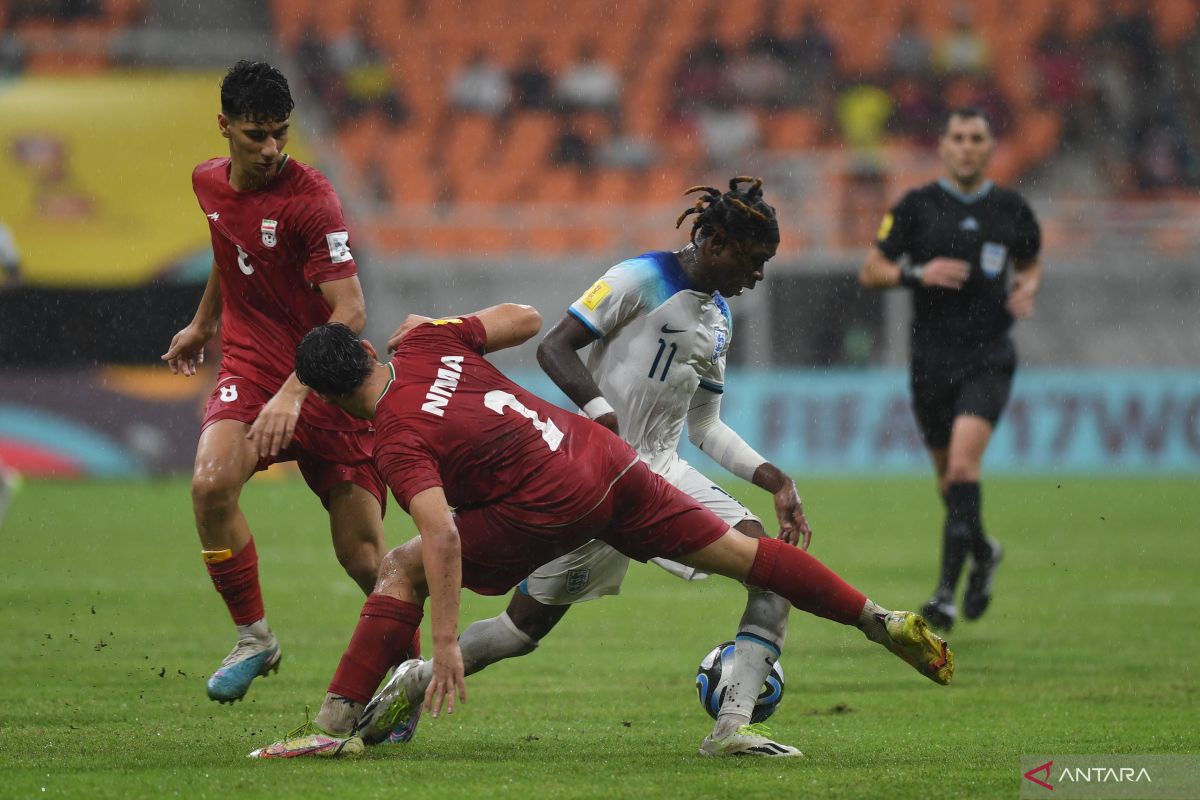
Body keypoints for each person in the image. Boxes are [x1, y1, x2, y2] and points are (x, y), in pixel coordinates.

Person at [247, 306, 954, 760]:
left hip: (552, 500)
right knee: (746, 557)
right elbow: (524, 317)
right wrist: (441, 322)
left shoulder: (395, 437)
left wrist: (443, 643)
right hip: (605, 455)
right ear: (369, 348)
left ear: (333, 400)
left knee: (400, 565)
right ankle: (876, 618)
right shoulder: (427, 342)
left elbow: (442, 539)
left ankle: (333, 729)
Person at [376, 177, 813, 757]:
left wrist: (775, 478)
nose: (757, 275)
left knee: (772, 570)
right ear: (712, 241)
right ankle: (414, 680)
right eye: (752, 260)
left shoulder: (719, 319)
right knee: (519, 632)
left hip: (662, 472)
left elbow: (703, 425)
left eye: (765, 264)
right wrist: (602, 419)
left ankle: (732, 729)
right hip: (591, 480)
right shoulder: (640, 277)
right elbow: (554, 346)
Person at [161, 60, 405, 705]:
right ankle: (254, 638)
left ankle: (407, 681)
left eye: (280, 134)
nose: (270, 149)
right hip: (247, 366)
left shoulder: (310, 200)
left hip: (325, 381)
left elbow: (350, 312)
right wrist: (203, 322)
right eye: (255, 135)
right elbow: (228, 247)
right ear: (224, 128)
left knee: (363, 559)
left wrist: (295, 391)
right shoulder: (206, 183)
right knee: (211, 486)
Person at [858, 107, 1042, 631]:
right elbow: (871, 270)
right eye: (958, 137)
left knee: (963, 469)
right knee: (948, 485)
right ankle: (983, 552)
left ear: (989, 148)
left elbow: (1030, 262)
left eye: (976, 138)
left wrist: (1028, 286)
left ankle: (944, 595)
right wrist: (918, 272)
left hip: (988, 356)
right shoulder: (917, 207)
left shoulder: (1010, 209)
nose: (966, 146)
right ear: (943, 145)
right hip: (931, 361)